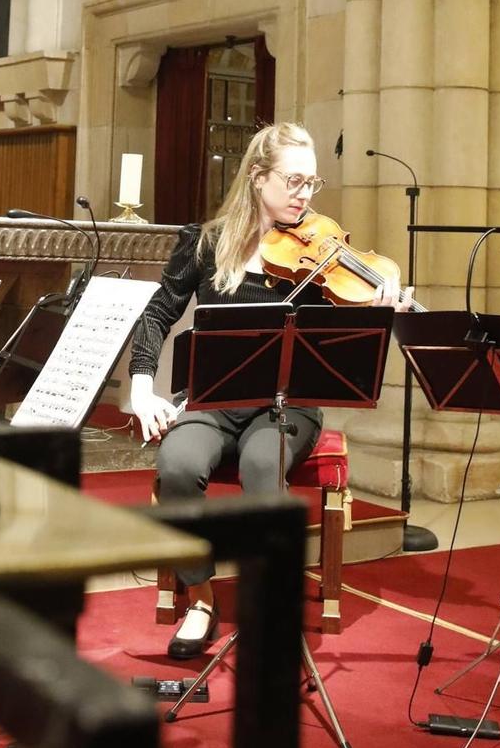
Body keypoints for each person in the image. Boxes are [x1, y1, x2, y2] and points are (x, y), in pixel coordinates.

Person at [128, 122, 397, 660]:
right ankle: (202, 599)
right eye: (293, 181)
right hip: (215, 399)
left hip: (286, 405)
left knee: (260, 467)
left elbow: (343, 343)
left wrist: (380, 306)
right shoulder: (206, 241)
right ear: (257, 177)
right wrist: (141, 387)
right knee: (178, 467)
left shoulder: (320, 255)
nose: (304, 196)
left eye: (311, 183)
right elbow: (159, 312)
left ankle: (270, 604)